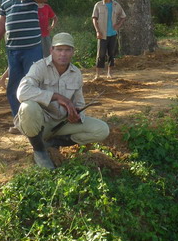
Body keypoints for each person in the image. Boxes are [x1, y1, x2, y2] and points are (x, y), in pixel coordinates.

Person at [15, 32, 110, 169]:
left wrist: (76, 115)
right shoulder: (39, 67)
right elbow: (22, 92)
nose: (63, 54)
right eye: (59, 50)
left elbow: (79, 103)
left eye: (67, 50)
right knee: (27, 107)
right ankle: (39, 151)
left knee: (102, 129)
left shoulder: (76, 73)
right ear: (51, 50)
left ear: (72, 52)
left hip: (62, 124)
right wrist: (57, 96)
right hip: (41, 123)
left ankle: (53, 143)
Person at [0, 0, 47, 125]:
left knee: (34, 85)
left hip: (32, 48)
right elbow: (2, 21)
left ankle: (38, 121)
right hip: (13, 50)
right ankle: (19, 121)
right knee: (13, 88)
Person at [0, 3, 58, 88]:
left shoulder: (46, 7)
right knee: (22, 61)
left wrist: (52, 26)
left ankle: (49, 81)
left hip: (45, 36)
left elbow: (55, 17)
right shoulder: (31, 6)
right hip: (33, 38)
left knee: (48, 58)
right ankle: (4, 78)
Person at [92, 0, 126, 79]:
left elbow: (123, 16)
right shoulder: (98, 5)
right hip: (102, 34)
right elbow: (94, 19)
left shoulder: (116, 5)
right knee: (100, 54)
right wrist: (97, 31)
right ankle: (98, 74)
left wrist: (118, 25)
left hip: (113, 34)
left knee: (111, 54)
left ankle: (109, 73)